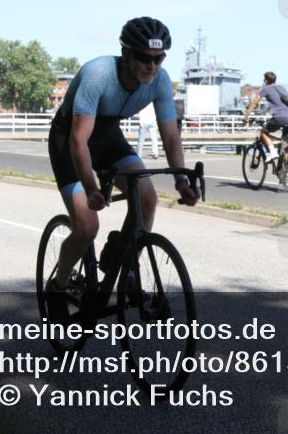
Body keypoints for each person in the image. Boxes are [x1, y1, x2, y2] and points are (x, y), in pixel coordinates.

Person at [46, 17, 199, 319]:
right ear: (126, 54)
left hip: (108, 139)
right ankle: (58, 286)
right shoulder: (98, 74)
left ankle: (125, 263)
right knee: (88, 226)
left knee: (147, 197)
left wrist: (182, 180)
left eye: (158, 58)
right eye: (144, 57)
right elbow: (79, 141)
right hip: (71, 141)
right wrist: (91, 188)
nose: (151, 66)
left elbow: (170, 135)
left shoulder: (161, 81)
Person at [243, 71, 288, 163]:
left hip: (280, 117)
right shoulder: (282, 88)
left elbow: (255, 103)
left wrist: (246, 116)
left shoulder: (265, 89)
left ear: (266, 80)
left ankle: (272, 152)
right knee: (285, 148)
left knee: (263, 132)